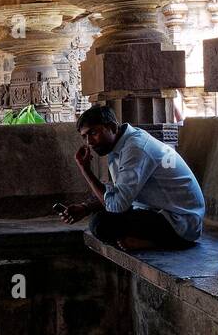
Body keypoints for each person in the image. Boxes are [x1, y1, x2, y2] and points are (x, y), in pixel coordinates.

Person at [60, 105, 204, 251]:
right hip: (159, 213)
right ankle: (147, 240)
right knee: (101, 219)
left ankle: (156, 243)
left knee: (100, 223)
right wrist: (86, 208)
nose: (89, 142)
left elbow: (118, 205)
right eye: (85, 136)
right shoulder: (118, 145)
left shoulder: (135, 148)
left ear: (112, 127)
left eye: (93, 132)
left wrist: (85, 170)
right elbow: (119, 195)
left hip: (181, 222)